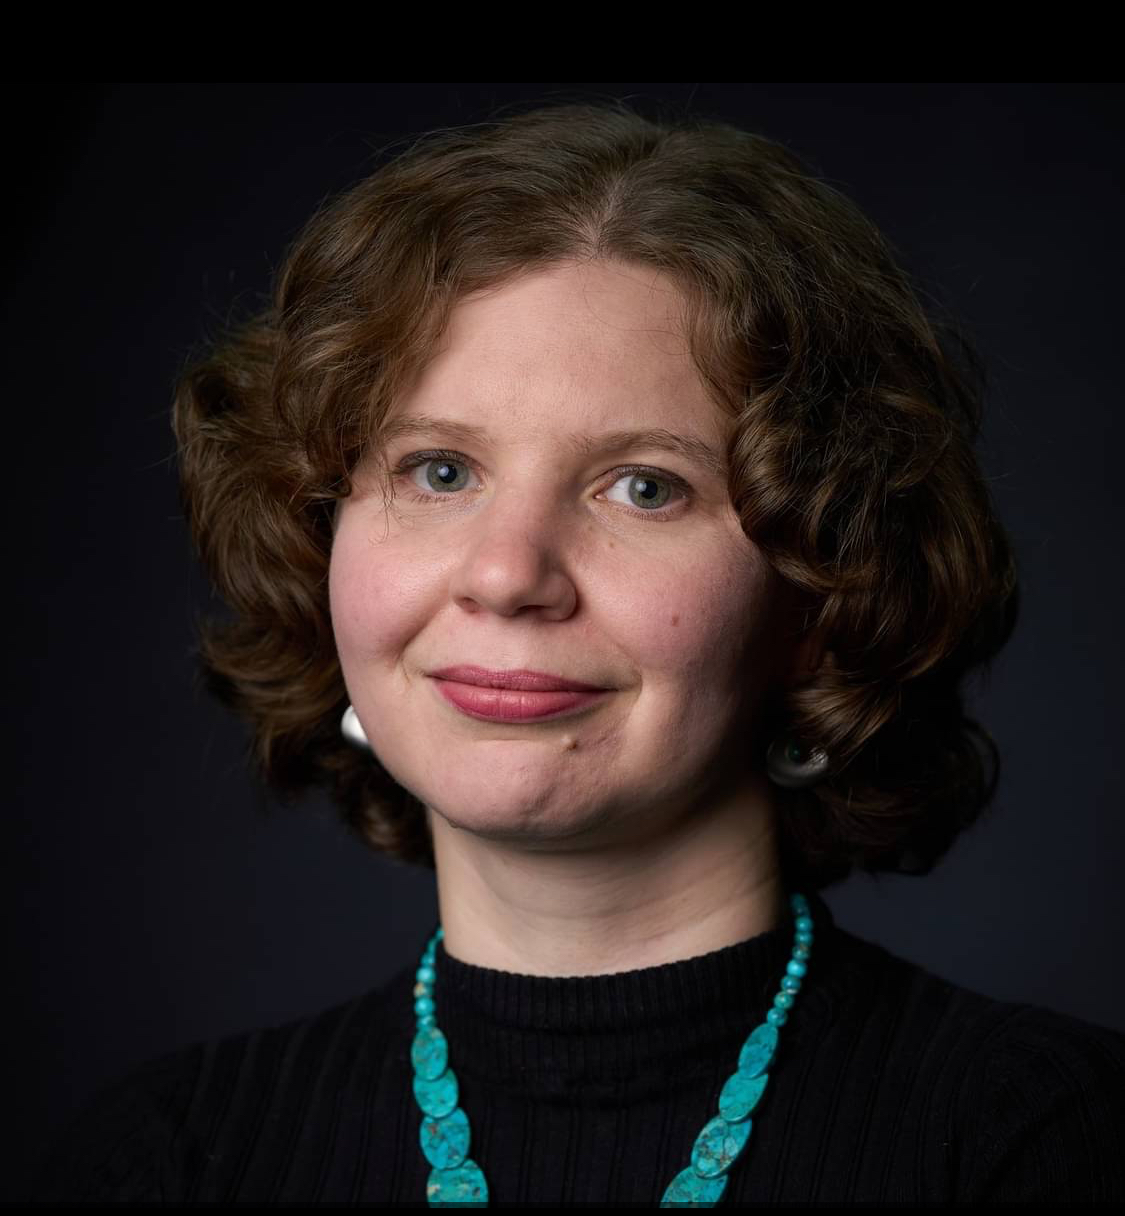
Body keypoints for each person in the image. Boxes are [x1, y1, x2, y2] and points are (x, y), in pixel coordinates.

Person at [32, 99, 1125, 1205]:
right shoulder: (169, 1162)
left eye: (645, 486)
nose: (507, 574)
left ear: (822, 589)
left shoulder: (1041, 1143)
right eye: (440, 471)